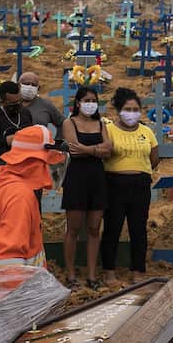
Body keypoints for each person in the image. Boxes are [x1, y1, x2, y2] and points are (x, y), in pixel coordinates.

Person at [0, 125, 65, 271]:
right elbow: (10, 261)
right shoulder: (20, 197)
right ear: (35, 161)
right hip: (15, 289)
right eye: (48, 160)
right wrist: (19, 292)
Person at [101, 87, 159, 288]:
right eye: (128, 108)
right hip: (114, 184)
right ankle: (109, 271)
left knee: (138, 229)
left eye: (136, 109)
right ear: (119, 110)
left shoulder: (147, 131)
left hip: (140, 185)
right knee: (112, 228)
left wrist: (138, 170)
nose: (132, 113)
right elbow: (105, 153)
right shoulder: (108, 129)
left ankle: (138, 271)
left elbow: (154, 158)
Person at [60, 86, 112, 288]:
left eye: (94, 100)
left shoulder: (101, 123)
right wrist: (97, 150)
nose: (90, 104)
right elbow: (74, 150)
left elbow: (109, 150)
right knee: (73, 228)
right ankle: (71, 273)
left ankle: (91, 275)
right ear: (78, 103)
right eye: (87, 100)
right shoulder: (69, 122)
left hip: (97, 178)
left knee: (93, 228)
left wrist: (88, 149)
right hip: (77, 178)